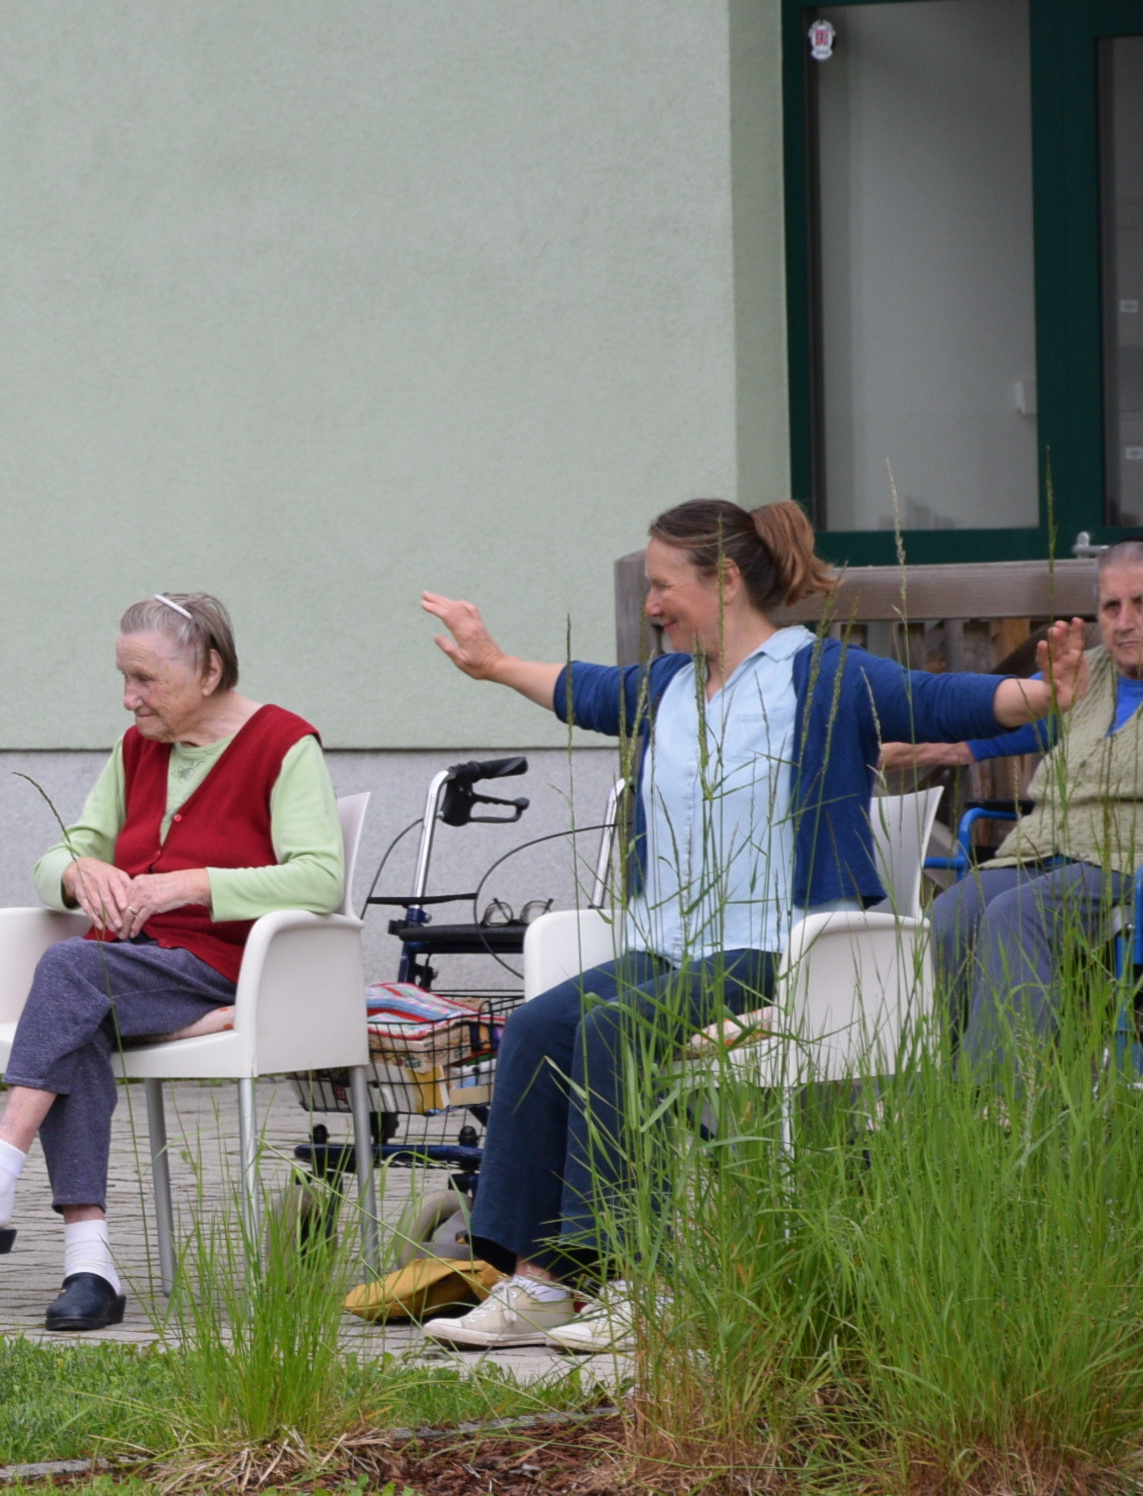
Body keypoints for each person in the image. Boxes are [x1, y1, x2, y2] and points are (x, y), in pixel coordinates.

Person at [417, 497, 1062, 1354]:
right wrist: (494, 664)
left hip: (781, 948)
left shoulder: (821, 675)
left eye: (661, 585)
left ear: (723, 581)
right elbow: (585, 691)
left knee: (617, 1028)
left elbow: (938, 701)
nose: (650, 604)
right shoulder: (669, 687)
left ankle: (633, 1279)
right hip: (674, 946)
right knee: (537, 1023)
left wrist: (1044, 693)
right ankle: (538, 1280)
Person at [0, 593, 344, 1333]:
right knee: (75, 1018)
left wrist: (191, 884)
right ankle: (89, 1266)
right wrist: (74, 874)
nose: (129, 699)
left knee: (67, 972)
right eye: (123, 678)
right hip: (131, 969)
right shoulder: (136, 749)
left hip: (226, 962)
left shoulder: (285, 744)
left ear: (211, 669)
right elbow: (63, 849)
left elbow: (320, 878)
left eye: (146, 679)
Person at [883, 544, 1131, 1077]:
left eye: (1142, 603)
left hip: (1123, 861)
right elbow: (990, 732)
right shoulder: (1084, 675)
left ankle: (1001, 1099)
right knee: (950, 915)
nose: (1126, 622)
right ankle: (930, 1093)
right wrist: (912, 747)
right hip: (1042, 851)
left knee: (1016, 914)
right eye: (1112, 607)